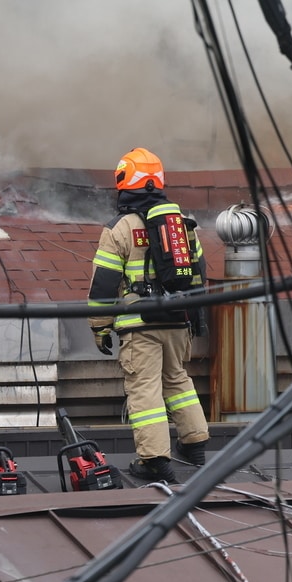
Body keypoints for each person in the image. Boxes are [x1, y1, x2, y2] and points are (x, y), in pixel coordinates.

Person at [87, 147, 210, 483]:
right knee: (178, 380)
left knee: (145, 390)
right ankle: (196, 444)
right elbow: (199, 274)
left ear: (126, 182)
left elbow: (103, 284)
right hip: (177, 321)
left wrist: (99, 327)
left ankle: (154, 460)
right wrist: (194, 320)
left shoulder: (120, 228)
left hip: (140, 326)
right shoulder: (183, 225)